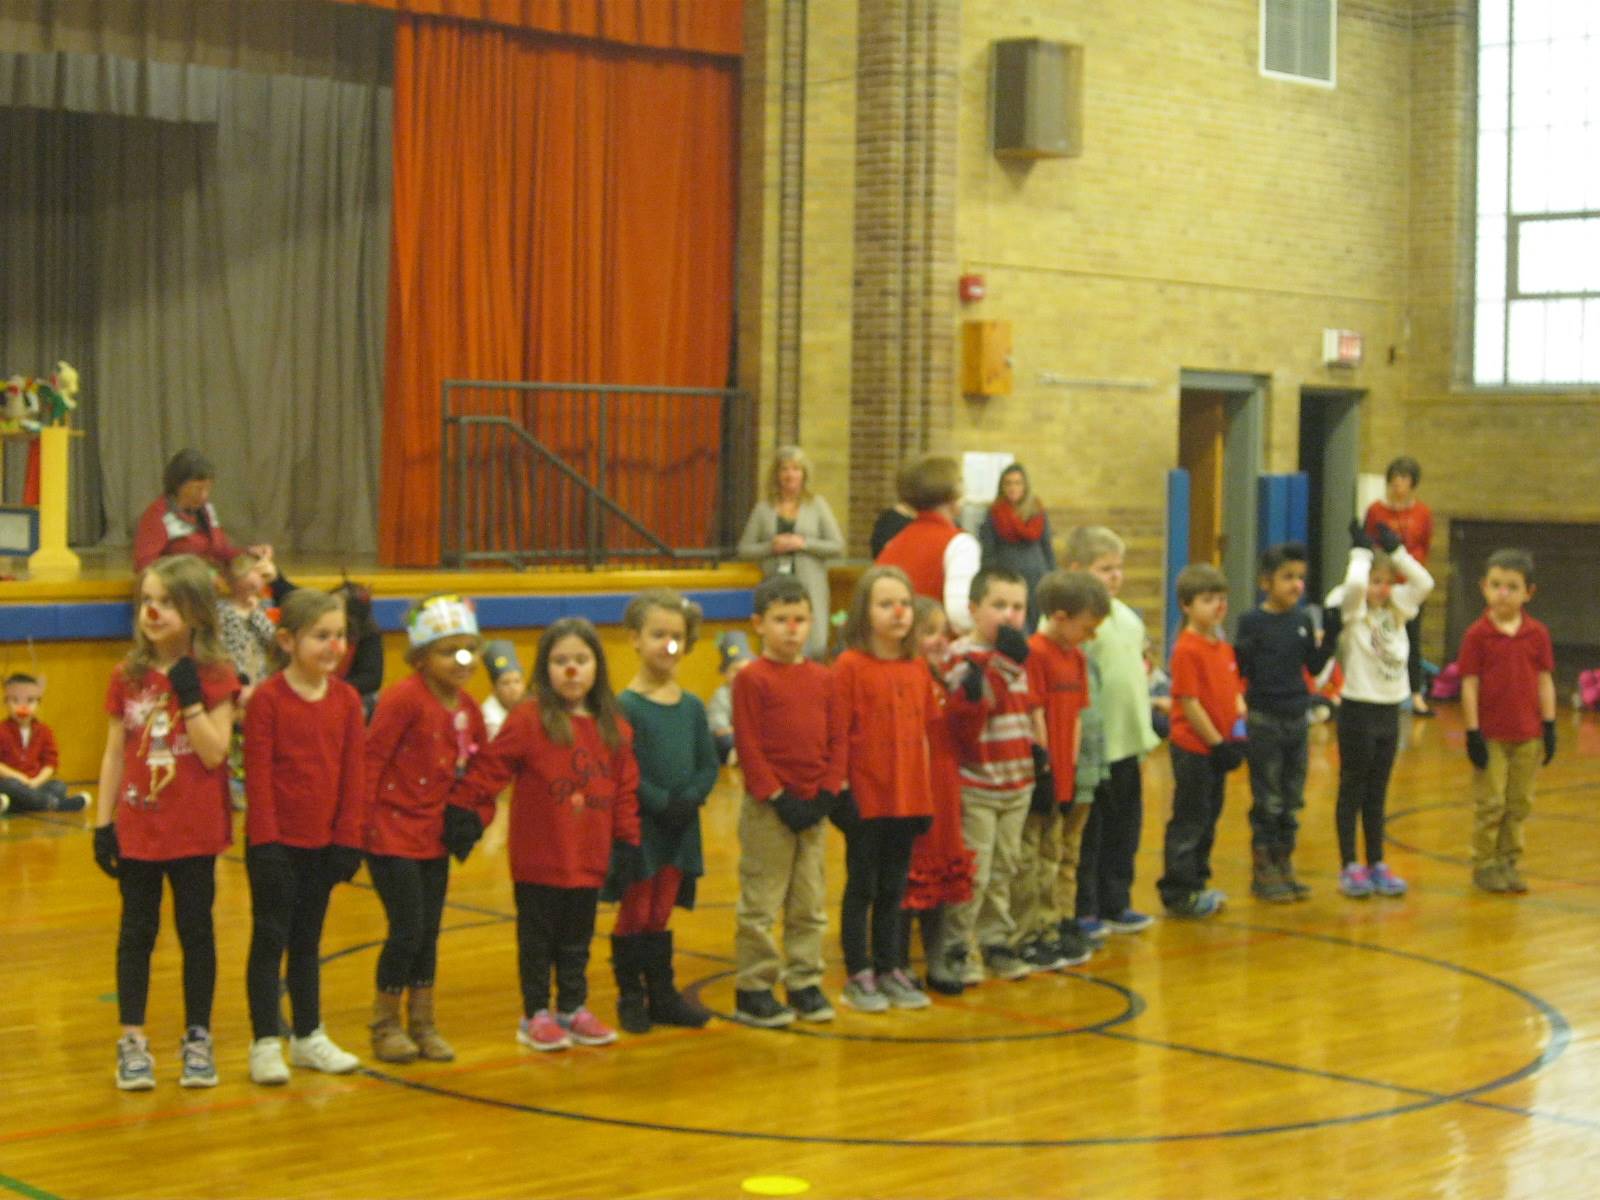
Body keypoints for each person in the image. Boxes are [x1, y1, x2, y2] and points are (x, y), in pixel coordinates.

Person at [447, 618, 641, 1053]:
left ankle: (573, 1006)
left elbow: (625, 787)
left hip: (588, 855)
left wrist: (627, 841)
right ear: (544, 668)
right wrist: (465, 809)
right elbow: (492, 767)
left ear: (597, 666)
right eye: (560, 661)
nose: (571, 670)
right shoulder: (529, 719)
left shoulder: (614, 726)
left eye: (580, 660)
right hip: (540, 856)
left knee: (577, 938)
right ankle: (535, 1012)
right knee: (537, 939)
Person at [91, 554, 240, 1090]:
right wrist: (102, 824)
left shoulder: (217, 676)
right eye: (147, 601)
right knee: (137, 934)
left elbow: (214, 754)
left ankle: (197, 1037)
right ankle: (132, 1038)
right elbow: (113, 753)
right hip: (139, 828)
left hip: (195, 832)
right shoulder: (126, 676)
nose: (152, 612)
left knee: (196, 933)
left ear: (196, 612)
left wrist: (191, 696)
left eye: (167, 602)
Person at [242, 590, 367, 1085]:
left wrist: (347, 838)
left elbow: (353, 776)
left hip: (323, 844)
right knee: (270, 938)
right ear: (288, 640)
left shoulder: (348, 700)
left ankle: (309, 1035)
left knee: (308, 941)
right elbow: (258, 777)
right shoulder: (268, 700)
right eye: (321, 636)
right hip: (276, 846)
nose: (333, 646)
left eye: (339, 635)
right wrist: (267, 843)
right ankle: (264, 1041)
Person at [362, 594, 492, 1063]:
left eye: (470, 650)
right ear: (420, 657)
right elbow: (371, 760)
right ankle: (385, 1023)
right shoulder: (403, 699)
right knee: (407, 929)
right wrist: (359, 825)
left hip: (434, 838)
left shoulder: (469, 709)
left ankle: (423, 1021)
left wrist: (475, 816)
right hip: (391, 833)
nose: (462, 661)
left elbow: (482, 770)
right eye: (448, 651)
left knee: (429, 932)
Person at [730, 575, 846, 1027]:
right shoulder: (751, 679)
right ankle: (754, 986)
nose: (791, 629)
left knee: (808, 901)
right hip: (769, 812)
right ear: (759, 623)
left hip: (813, 807)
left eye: (799, 619)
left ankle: (804, 980)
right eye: (781, 620)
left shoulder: (824, 678)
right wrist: (777, 797)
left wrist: (827, 794)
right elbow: (750, 745)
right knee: (761, 901)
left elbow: (839, 740)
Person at [605, 590, 718, 1033]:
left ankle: (663, 993)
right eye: (658, 635)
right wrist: (660, 802)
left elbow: (708, 763)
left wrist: (691, 797)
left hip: (681, 825)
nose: (668, 644)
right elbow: (623, 767)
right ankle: (631, 995)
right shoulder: (625, 706)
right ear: (634, 638)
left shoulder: (690, 706)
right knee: (636, 909)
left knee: (662, 909)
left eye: (677, 636)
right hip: (644, 826)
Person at [829, 566, 937, 1013]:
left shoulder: (917, 667)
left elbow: (926, 733)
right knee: (863, 885)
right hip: (867, 798)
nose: (898, 613)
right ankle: (859, 971)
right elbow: (837, 733)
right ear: (864, 611)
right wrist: (841, 790)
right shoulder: (849, 666)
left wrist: (925, 795)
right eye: (885, 604)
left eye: (905, 604)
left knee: (895, 887)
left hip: (907, 797)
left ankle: (891, 965)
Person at [939, 567, 1042, 985]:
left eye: (1018, 607)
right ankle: (956, 946)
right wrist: (1005, 663)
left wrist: (1041, 755)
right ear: (973, 609)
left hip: (1017, 780)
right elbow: (977, 710)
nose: (1009, 615)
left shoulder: (1019, 655)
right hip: (978, 782)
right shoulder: (961, 657)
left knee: (1005, 869)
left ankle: (996, 939)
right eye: (998, 605)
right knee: (975, 873)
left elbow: (1029, 709)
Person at [1326, 520, 1434, 898]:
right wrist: (1360, 553)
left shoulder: (1399, 610)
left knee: (1378, 791)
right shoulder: (1352, 609)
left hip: (1390, 711)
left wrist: (1398, 552)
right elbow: (1355, 586)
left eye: (1387, 581)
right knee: (1352, 789)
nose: (1381, 588)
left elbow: (1425, 584)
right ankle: (1349, 864)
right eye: (1376, 581)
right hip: (1358, 709)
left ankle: (1376, 861)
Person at [1015, 570, 1109, 970]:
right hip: (1041, 773)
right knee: (1031, 856)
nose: (1090, 637)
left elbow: (1075, 720)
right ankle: (1028, 930)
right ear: (1059, 616)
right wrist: (1047, 769)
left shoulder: (1077, 656)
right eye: (1086, 628)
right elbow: (1035, 713)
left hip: (1065, 774)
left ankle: (1056, 921)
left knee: (1058, 853)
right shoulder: (1035, 653)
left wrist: (1068, 771)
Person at [1067, 527, 1159, 934]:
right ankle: (1085, 907)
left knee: (1125, 830)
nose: (1116, 576)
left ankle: (1116, 902)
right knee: (1092, 835)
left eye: (1119, 568)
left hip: (1128, 745)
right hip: (1094, 749)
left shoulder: (1126, 617)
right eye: (1105, 569)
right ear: (1076, 570)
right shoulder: (1074, 623)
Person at [1233, 543, 1337, 902]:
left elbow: (1313, 666)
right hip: (1265, 719)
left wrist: (1332, 637)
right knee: (1269, 798)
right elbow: (1241, 668)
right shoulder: (1252, 622)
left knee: (1292, 799)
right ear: (1266, 582)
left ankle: (1284, 864)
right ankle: (1264, 870)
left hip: (1297, 718)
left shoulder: (1302, 620)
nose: (1296, 585)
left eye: (1300, 578)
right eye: (1288, 577)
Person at [1458, 549, 1555, 894]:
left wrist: (1549, 726)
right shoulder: (1477, 635)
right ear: (1484, 587)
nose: (1503, 593)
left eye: (1512, 587)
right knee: (1491, 803)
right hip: (1492, 734)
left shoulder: (1537, 634)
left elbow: (1544, 680)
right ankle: (1484, 864)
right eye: (1496, 585)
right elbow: (1469, 685)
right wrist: (1472, 732)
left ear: (1528, 592)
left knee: (1519, 803)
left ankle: (1507, 861)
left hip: (1528, 735)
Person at [1156, 563, 1245, 918]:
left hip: (1219, 749)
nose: (1219, 606)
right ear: (1187, 605)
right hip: (1195, 749)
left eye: (1222, 598)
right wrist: (1216, 742)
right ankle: (1179, 890)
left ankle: (1199, 882)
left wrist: (1238, 736)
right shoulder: (1187, 649)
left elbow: (1236, 695)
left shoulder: (1222, 647)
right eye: (1209, 599)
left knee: (1210, 818)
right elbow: (1189, 703)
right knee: (1190, 819)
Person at [899, 598, 975, 994]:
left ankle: (938, 956)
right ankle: (895, 960)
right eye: (929, 632)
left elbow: (963, 735)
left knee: (942, 872)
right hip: (914, 785)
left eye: (943, 631)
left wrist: (972, 701)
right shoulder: (907, 674)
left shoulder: (945, 676)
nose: (940, 640)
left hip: (944, 785)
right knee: (908, 873)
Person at [736, 447, 845, 659]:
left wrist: (803, 543)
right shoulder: (763, 509)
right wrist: (770, 547)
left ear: (804, 474)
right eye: (784, 469)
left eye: (796, 469)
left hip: (810, 586)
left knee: (813, 645)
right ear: (776, 475)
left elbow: (837, 546)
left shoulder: (817, 506)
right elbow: (744, 550)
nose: (790, 474)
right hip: (775, 586)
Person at [878, 454, 982, 635]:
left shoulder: (895, 542)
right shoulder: (960, 544)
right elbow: (960, 616)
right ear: (952, 495)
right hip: (934, 650)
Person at [1364, 457, 1434, 715]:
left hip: (1409, 587)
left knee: (1413, 639)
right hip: (1383, 586)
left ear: (1412, 483)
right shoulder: (1376, 511)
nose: (1398, 484)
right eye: (1394, 478)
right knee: (1375, 635)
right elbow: (1368, 544)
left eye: (1404, 478)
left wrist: (1412, 572)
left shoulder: (1422, 513)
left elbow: (1425, 545)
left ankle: (1416, 695)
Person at [133, 449, 271, 573]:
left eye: (208, 488)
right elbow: (145, 566)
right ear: (178, 485)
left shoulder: (206, 510)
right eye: (197, 489)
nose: (204, 495)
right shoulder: (158, 515)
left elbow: (220, 550)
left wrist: (250, 553)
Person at [977, 464, 1057, 630]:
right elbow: (988, 551)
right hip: (1008, 578)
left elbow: (1047, 547)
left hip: (1037, 579)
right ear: (1002, 487)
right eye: (1008, 483)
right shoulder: (994, 513)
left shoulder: (1036, 511)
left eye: (1018, 483)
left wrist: (1053, 577)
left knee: (1038, 625)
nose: (1013, 488)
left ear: (1025, 486)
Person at [0, 673, 89, 814]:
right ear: (6, 702)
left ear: (38, 703)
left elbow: (50, 764)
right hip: (12, 782)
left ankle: (14, 805)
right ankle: (56, 804)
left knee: (59, 786)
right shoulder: (2, 730)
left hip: (35, 784)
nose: (22, 707)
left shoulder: (44, 731)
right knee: (11, 786)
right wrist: (19, 777)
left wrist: (36, 781)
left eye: (30, 701)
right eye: (15, 701)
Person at [215, 552, 277, 705]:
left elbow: (272, 638)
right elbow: (226, 644)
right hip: (236, 674)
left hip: (259, 671)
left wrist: (256, 613)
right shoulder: (222, 610)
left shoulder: (260, 608)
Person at [706, 630, 752, 765]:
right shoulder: (722, 697)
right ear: (726, 673)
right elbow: (720, 731)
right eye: (736, 670)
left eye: (746, 670)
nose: (741, 675)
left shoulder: (758, 691)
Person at [481, 639, 527, 742]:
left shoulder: (528, 705)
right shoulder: (489, 719)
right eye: (506, 683)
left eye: (517, 681)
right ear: (494, 689)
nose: (513, 688)